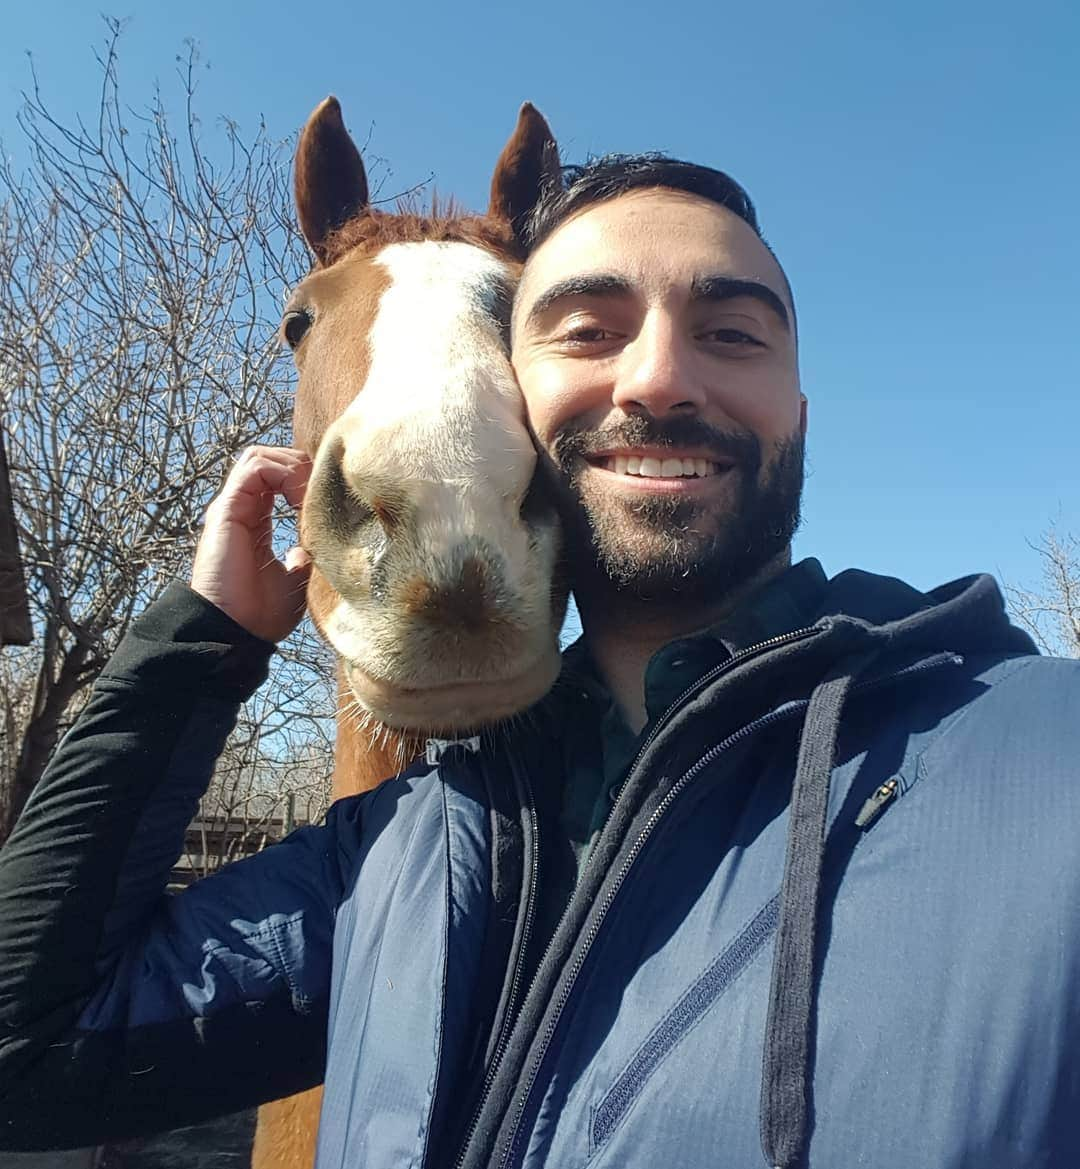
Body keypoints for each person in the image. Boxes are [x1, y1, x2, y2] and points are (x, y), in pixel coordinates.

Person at [1, 155, 1078, 1169]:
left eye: (733, 333)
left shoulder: (1038, 767)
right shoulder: (398, 853)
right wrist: (198, 644)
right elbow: (28, 1053)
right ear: (502, 395)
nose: (657, 377)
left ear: (799, 414)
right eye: (587, 329)